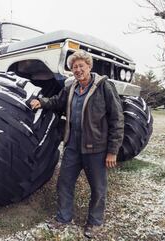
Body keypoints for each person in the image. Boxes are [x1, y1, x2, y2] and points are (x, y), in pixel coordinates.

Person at [30, 50, 124, 238]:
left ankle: (95, 222)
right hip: (72, 145)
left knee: (98, 188)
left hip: (96, 148)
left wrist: (113, 151)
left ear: (89, 67)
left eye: (81, 66)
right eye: (74, 67)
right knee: (64, 183)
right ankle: (63, 217)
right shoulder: (71, 87)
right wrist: (41, 102)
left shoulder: (104, 87)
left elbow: (117, 119)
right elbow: (58, 102)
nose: (78, 70)